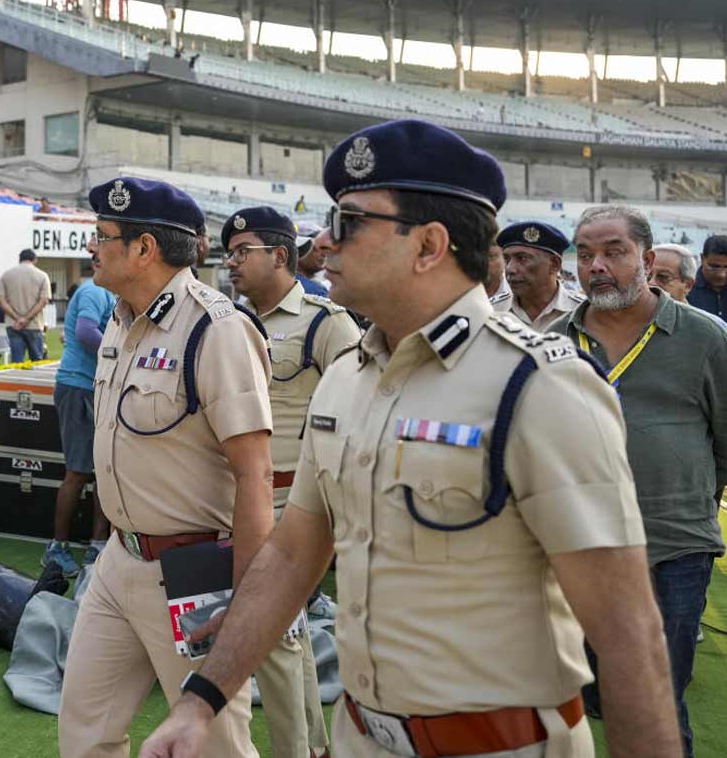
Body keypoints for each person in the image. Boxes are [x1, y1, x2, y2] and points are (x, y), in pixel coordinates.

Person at [139, 120, 679, 758]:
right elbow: (291, 555)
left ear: (428, 245)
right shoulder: (345, 377)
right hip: (360, 738)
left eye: (347, 223)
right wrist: (203, 699)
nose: (321, 242)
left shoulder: (540, 386)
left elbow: (626, 631)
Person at [58, 177, 274, 758]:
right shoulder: (120, 318)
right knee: (84, 728)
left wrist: (245, 599)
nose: (92, 248)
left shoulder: (215, 328)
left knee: (216, 745)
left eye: (103, 237)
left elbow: (255, 475)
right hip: (117, 561)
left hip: (193, 573)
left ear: (144, 249)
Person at [549, 205, 727, 758]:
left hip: (673, 547)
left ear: (647, 260)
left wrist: (688, 497)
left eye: (613, 252)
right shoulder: (555, 340)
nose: (596, 266)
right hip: (579, 547)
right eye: (584, 255)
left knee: (659, 699)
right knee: (587, 696)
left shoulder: (703, 338)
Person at [222, 206, 361, 758]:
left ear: (280, 256)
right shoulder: (230, 321)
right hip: (240, 497)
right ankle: (313, 746)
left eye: (241, 253)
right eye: (228, 253)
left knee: (268, 633)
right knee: (287, 632)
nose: (231, 263)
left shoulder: (326, 323)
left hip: (294, 501)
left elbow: (357, 412)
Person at [42, 277, 116, 577]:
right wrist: (122, 355)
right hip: (78, 386)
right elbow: (86, 332)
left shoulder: (114, 292)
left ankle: (98, 545)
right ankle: (57, 548)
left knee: (103, 469)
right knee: (78, 471)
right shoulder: (95, 290)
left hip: (97, 387)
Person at [492, 221, 584, 330]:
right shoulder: (491, 311)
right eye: (506, 259)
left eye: (522, 258)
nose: (509, 269)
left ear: (555, 264)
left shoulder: (583, 313)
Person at [0, 248, 52, 362]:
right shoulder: (42, 276)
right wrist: (26, 319)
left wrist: (18, 318)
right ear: (34, 260)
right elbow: (44, 301)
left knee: (16, 362)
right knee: (37, 362)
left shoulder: (6, 275)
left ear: (20, 259)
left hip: (13, 324)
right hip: (34, 325)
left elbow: (1, 300)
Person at [687, 233, 727, 321]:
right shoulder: (685, 289)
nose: (721, 275)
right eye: (714, 266)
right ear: (702, 258)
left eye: (726, 267)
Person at [295, 222, 329, 297]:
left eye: (325, 248)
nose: (324, 253)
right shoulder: (315, 292)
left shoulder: (321, 286)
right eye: (315, 248)